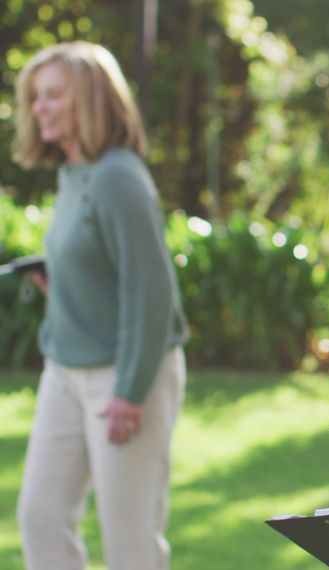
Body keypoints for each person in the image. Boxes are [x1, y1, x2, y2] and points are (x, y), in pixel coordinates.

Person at [11, 42, 188, 570]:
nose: (38, 107)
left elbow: (152, 293)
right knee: (41, 518)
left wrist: (130, 392)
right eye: (35, 97)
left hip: (126, 379)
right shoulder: (74, 173)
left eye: (52, 96)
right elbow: (105, 266)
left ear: (88, 100)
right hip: (64, 373)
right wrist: (61, 276)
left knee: (130, 543)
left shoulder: (118, 178)